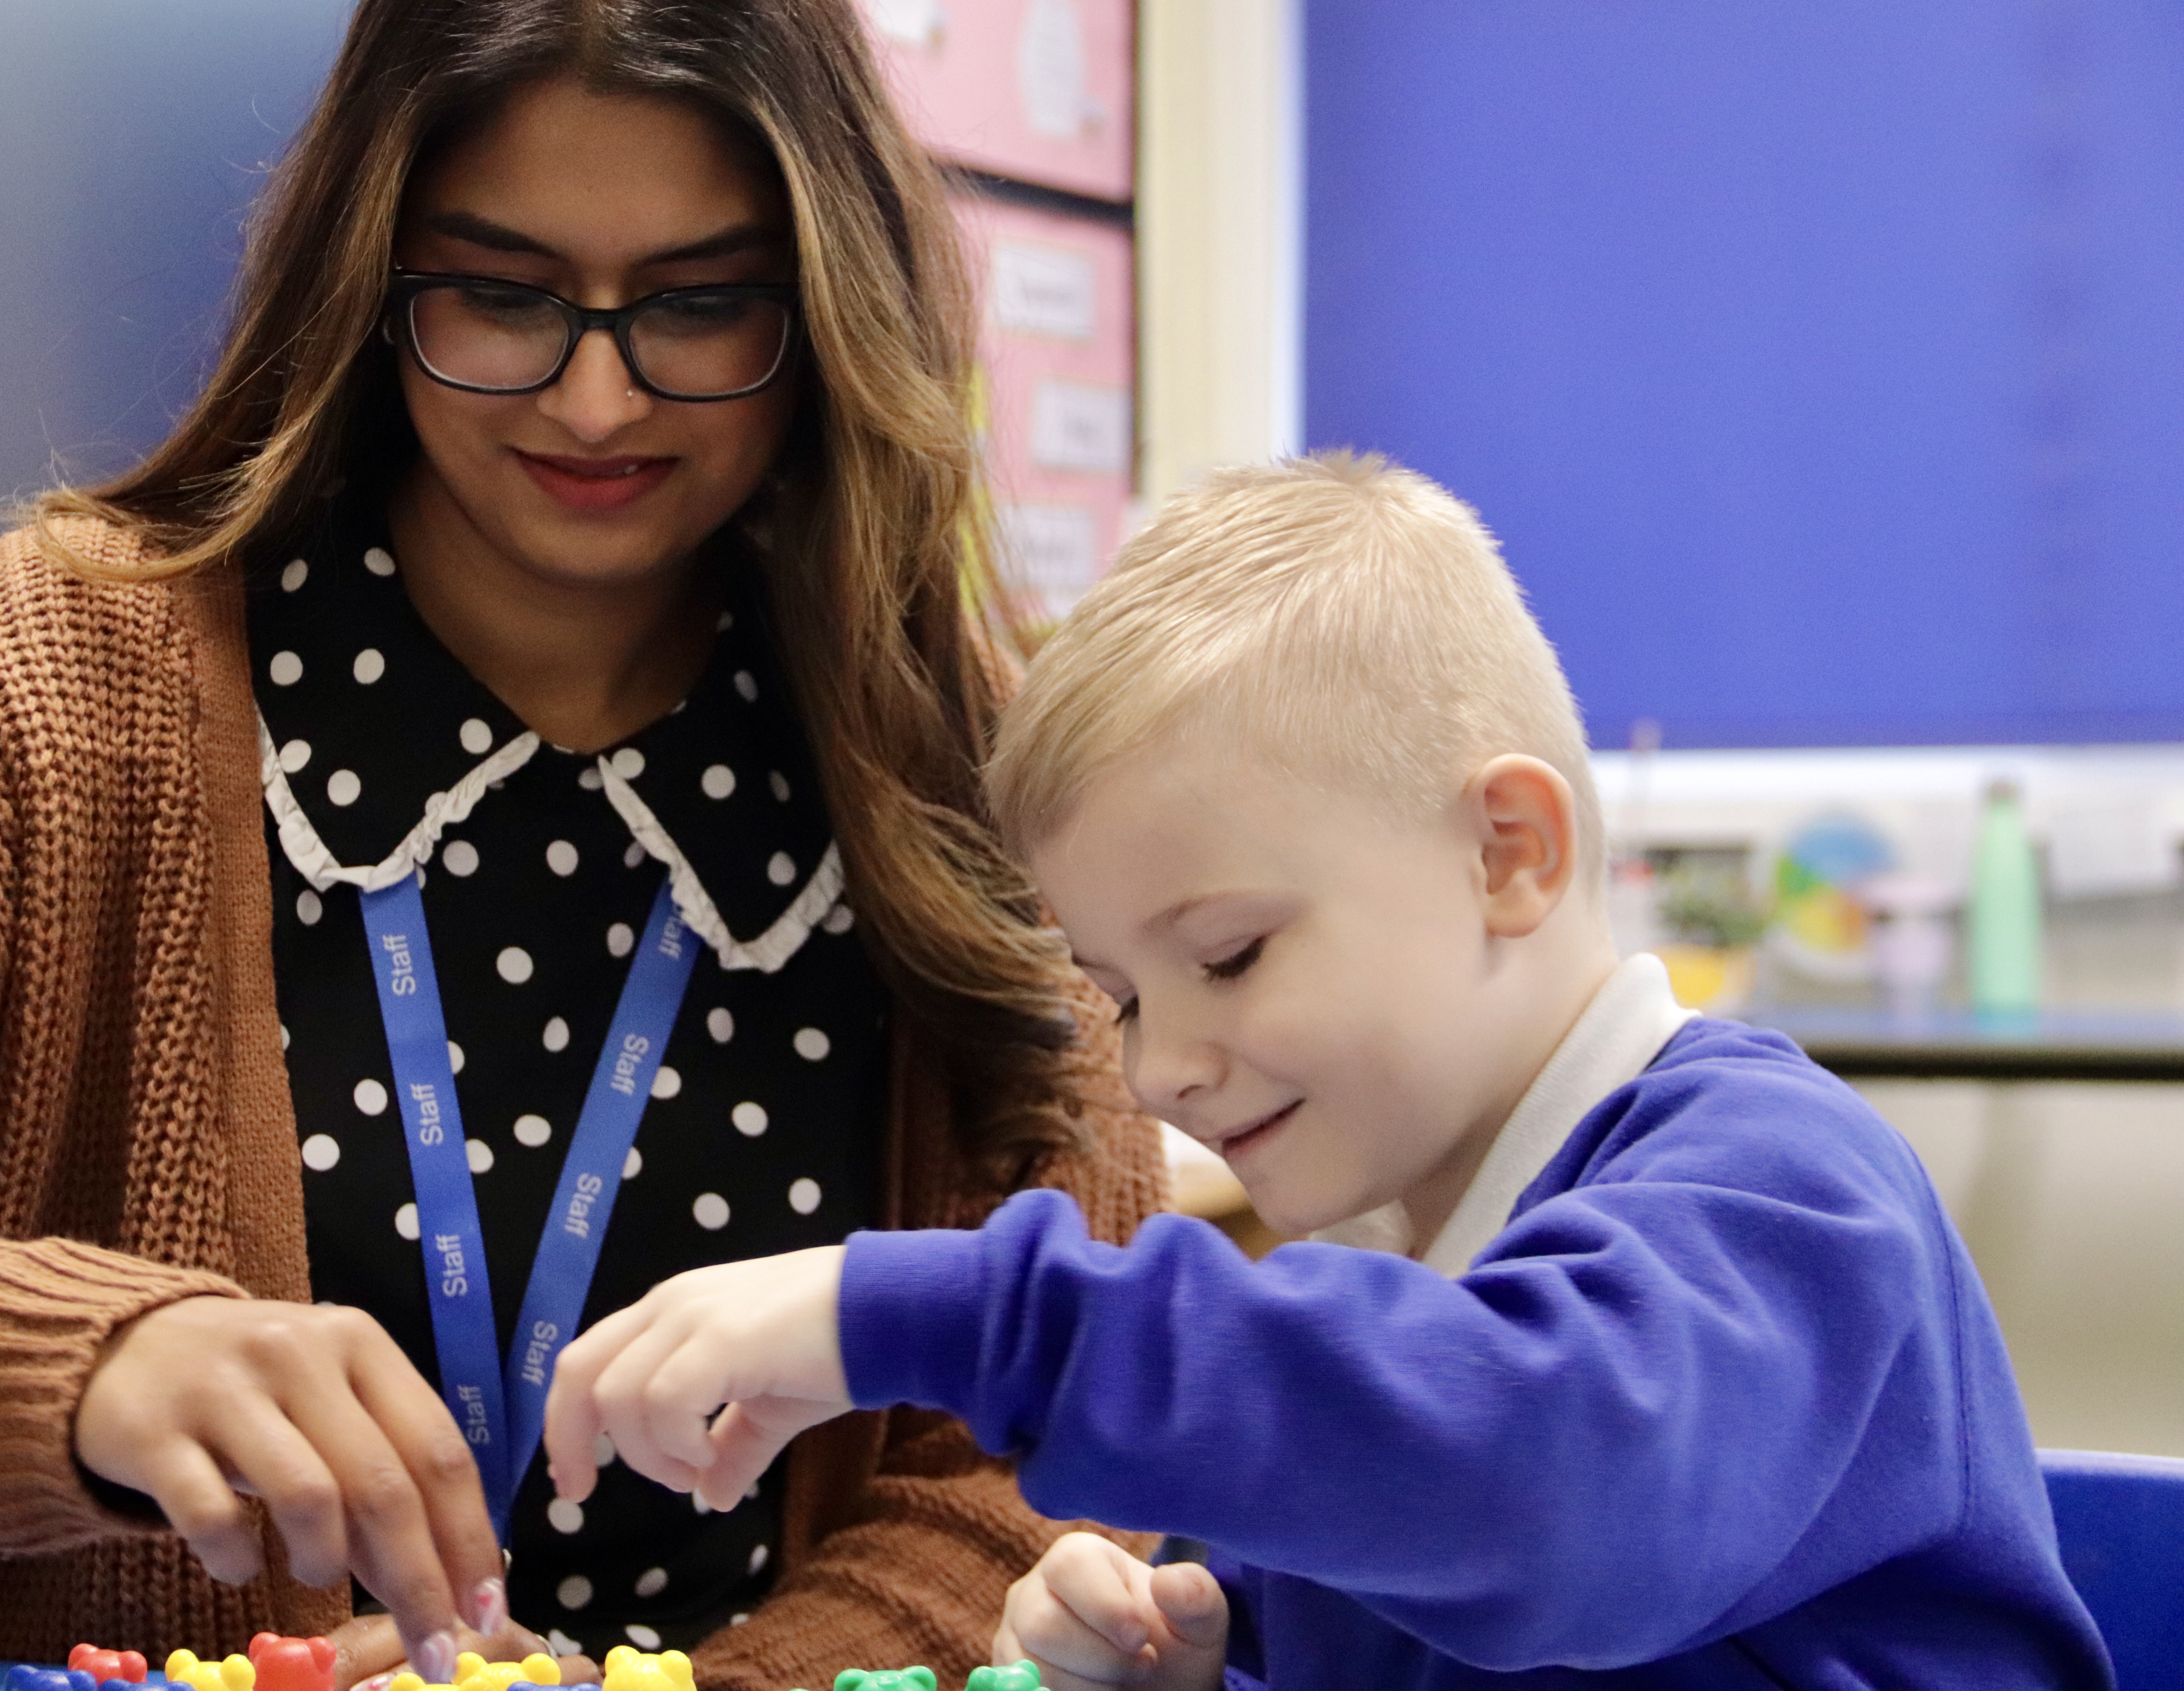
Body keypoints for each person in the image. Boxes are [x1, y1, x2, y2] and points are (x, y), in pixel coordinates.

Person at [0, 0, 1164, 1687]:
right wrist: (91, 1363)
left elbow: (1069, 1445)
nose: (596, 395)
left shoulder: (966, 765)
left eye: (699, 304)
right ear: (370, 279)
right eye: (503, 295)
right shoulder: (80, 672)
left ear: (829, 307)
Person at [542, 454, 2114, 1688]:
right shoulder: (1361, 1311)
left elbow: (1538, 1488)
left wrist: (929, 1313)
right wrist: (1198, 1665)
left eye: (1228, 956)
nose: (1160, 1071)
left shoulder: (1782, 1190)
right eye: (1120, 1000)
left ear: (1509, 854)